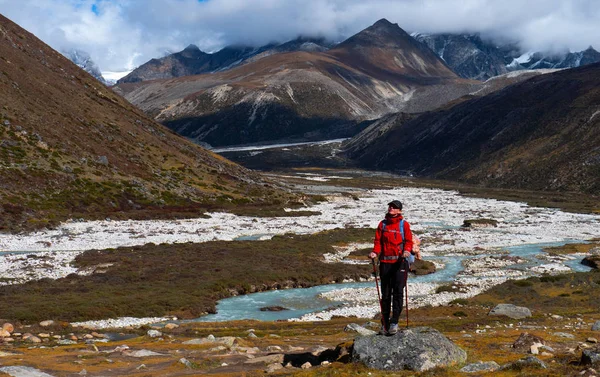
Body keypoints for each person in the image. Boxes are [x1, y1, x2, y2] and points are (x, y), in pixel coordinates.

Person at [369, 200, 414, 335]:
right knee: (386, 294)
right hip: (385, 263)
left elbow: (409, 241)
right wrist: (375, 252)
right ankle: (385, 323)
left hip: (400, 263)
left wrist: (406, 251)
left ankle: (394, 322)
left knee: (398, 293)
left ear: (399, 211)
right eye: (390, 206)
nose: (391, 208)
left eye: (394, 207)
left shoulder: (403, 225)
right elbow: (378, 242)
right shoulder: (382, 224)